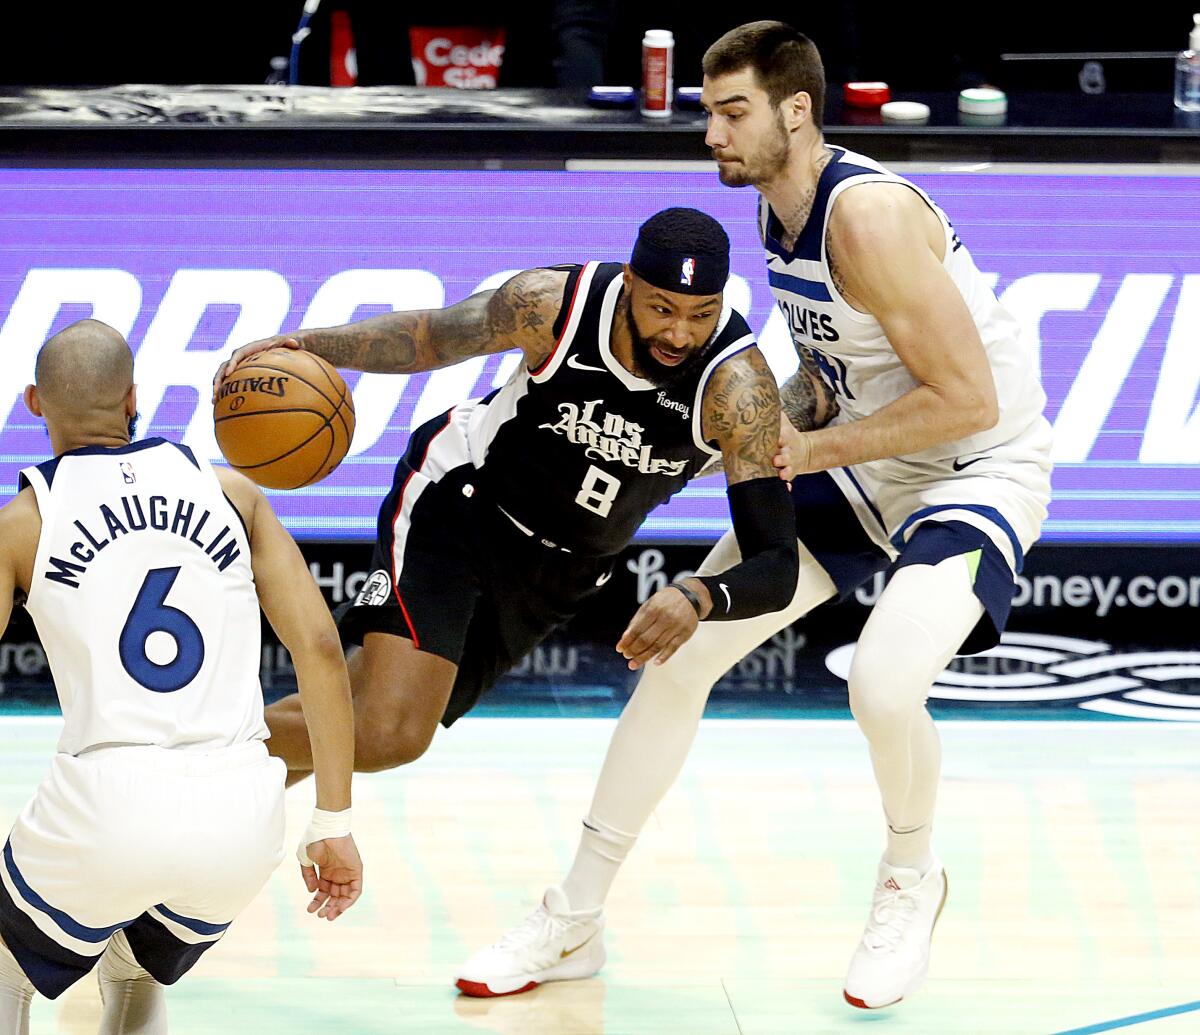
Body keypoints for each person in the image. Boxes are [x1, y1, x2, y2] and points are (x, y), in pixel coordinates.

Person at [461, 21, 1053, 1011]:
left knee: (883, 682)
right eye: (708, 113)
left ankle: (912, 876)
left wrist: (804, 450)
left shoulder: (864, 217)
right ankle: (575, 916)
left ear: (797, 111)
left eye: (732, 112)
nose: (712, 135)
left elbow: (970, 401)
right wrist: (748, 432)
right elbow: (832, 376)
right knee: (681, 653)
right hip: (871, 458)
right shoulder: (783, 218)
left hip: (972, 472)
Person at [213, 208, 800, 859]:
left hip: (562, 570)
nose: (679, 333)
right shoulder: (552, 305)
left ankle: (205, 811)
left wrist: (700, 595)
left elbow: (776, 562)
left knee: (361, 706)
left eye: (702, 313)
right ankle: (183, 756)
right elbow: (428, 338)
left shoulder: (735, 388)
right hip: (462, 502)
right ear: (630, 281)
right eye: (662, 308)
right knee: (391, 733)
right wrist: (307, 345)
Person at [0, 320, 363, 1034]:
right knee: (134, 968)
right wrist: (333, 821)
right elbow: (320, 646)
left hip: (106, 805)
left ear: (34, 402)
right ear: (135, 396)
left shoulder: (25, 521)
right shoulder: (233, 492)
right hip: (240, 814)